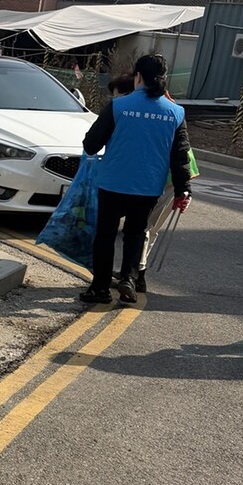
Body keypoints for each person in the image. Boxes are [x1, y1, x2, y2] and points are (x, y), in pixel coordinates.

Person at [79, 54, 192, 306]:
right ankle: (129, 280)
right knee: (135, 233)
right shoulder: (175, 112)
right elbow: (180, 155)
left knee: (106, 234)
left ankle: (99, 288)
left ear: (137, 76)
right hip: (148, 187)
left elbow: (90, 144)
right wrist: (184, 190)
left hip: (113, 183)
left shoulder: (118, 106)